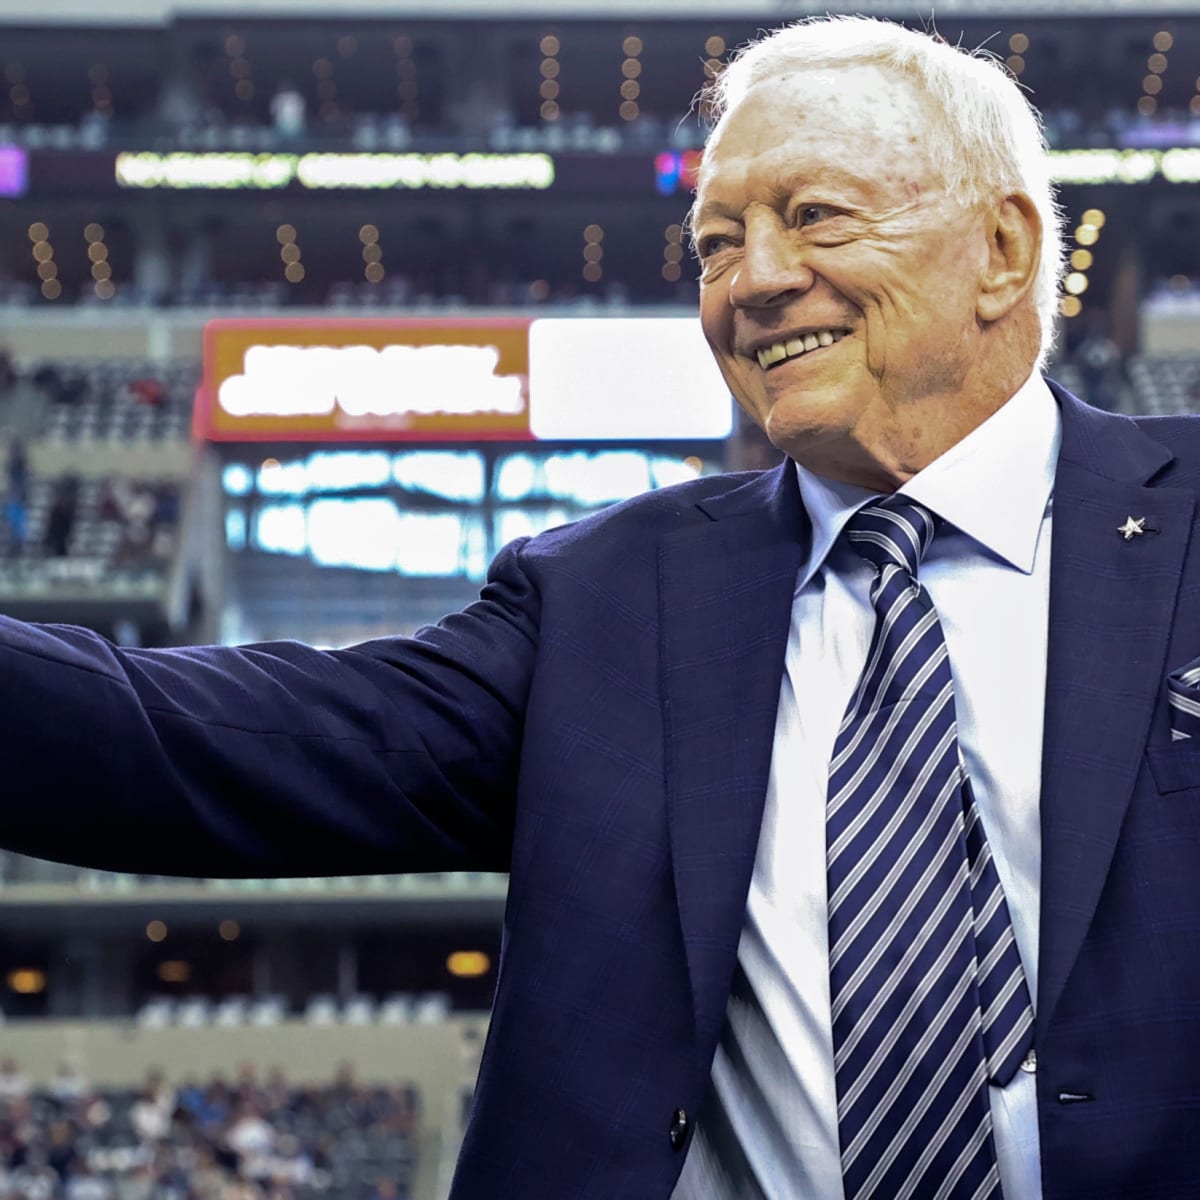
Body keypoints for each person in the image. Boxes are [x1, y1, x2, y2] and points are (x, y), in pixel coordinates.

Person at [0, 14, 1196, 1199]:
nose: (757, 281)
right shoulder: (605, 602)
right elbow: (198, 748)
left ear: (1002, 249)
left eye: (815, 215)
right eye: (717, 245)